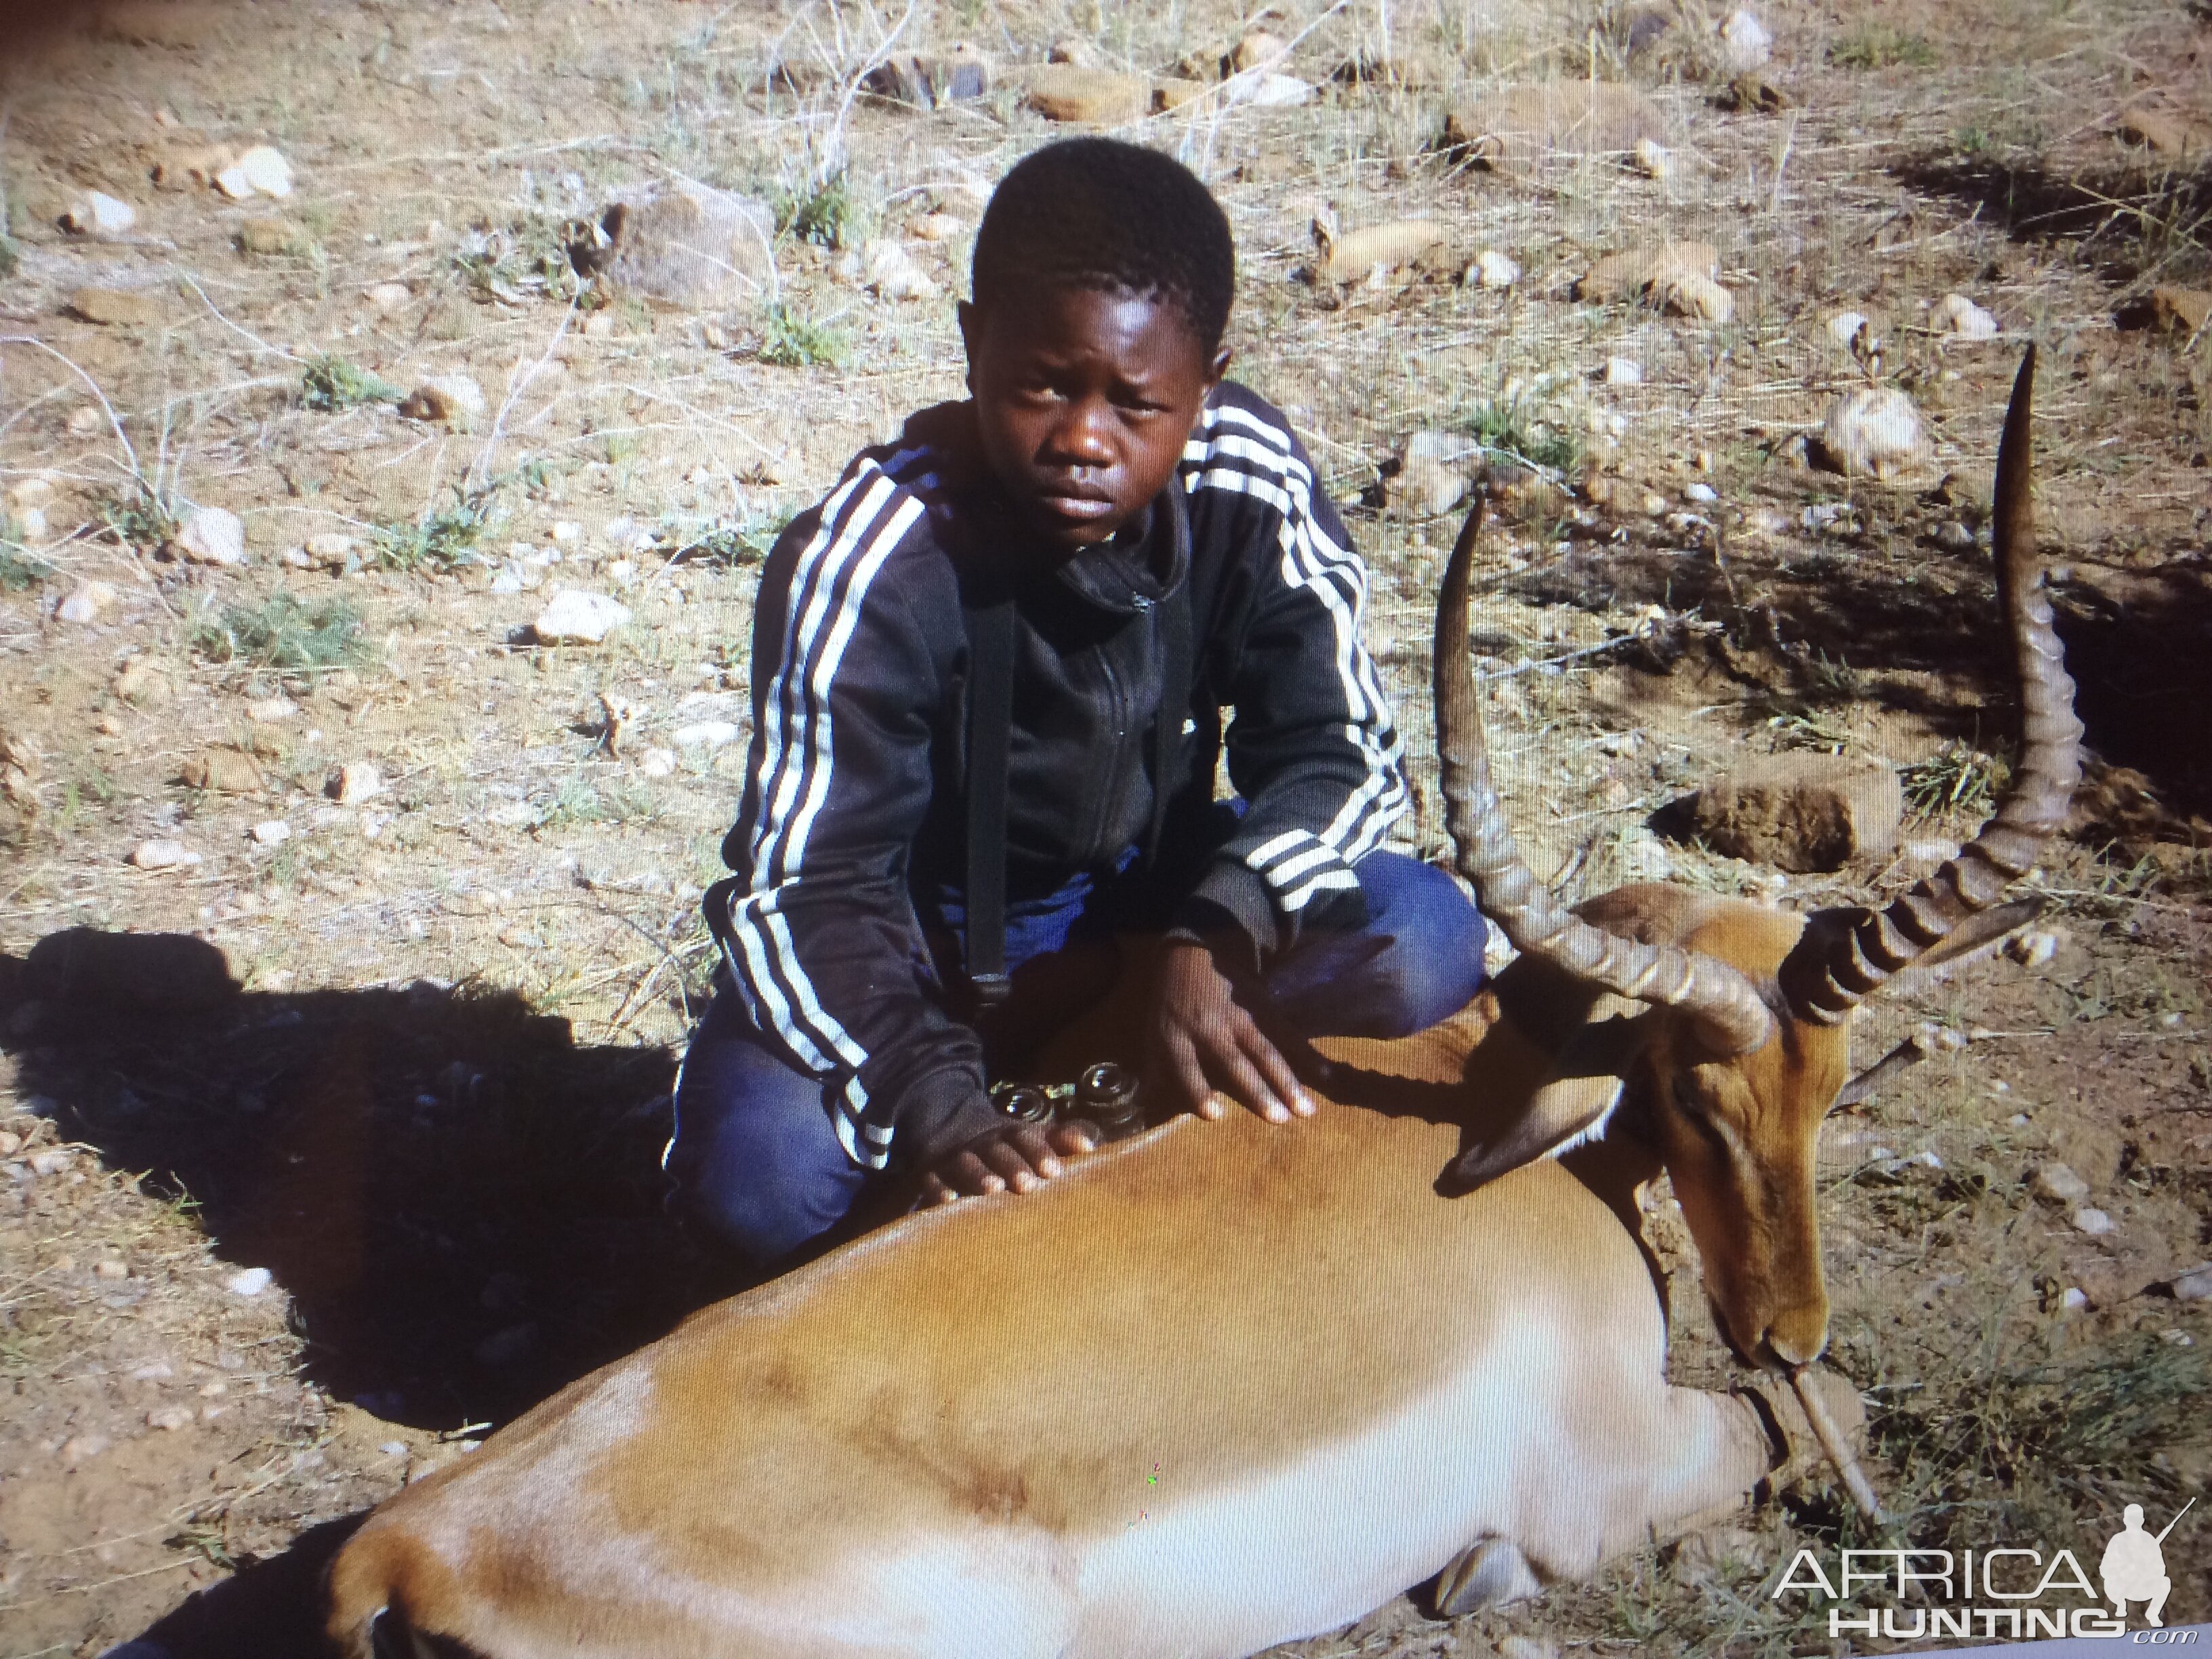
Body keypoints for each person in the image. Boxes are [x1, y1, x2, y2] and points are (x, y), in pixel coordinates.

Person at [666, 136, 1491, 1267]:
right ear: (970, 345)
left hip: (1151, 906)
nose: (1082, 442)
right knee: (757, 1179)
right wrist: (930, 1092)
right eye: (1043, 385)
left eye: (1136, 403)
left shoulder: (1244, 474)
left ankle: (1143, 1007)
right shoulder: (867, 554)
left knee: (1425, 938)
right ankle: (1006, 1087)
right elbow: (804, 884)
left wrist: (1219, 924)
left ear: (1203, 386)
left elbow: (1339, 752)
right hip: (919, 946)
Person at [2100, 1504, 2171, 1627]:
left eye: (2136, 1520)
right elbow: (2105, 1569)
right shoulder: (2118, 1540)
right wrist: (2124, 1571)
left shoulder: (2149, 1540)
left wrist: (2146, 1570)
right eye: (2132, 1520)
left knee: (2165, 1582)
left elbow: (2161, 1569)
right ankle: (2121, 1605)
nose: (2134, 1523)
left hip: (2142, 1586)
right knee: (2111, 1583)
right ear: (2125, 1520)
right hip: (2121, 1588)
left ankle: (2153, 1613)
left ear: (2142, 1521)